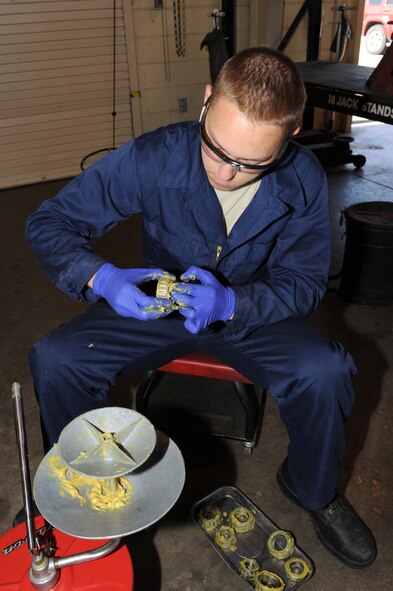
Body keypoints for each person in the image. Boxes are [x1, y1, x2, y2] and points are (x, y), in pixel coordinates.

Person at [25, 46, 376, 568]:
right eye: (217, 150)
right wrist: (103, 277)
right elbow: (49, 222)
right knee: (58, 358)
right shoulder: (153, 156)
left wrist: (233, 301)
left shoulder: (302, 178)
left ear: (290, 136)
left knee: (325, 372)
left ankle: (313, 488)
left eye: (251, 163)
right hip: (157, 305)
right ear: (208, 101)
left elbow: (303, 284)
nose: (228, 173)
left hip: (251, 312)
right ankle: (83, 485)